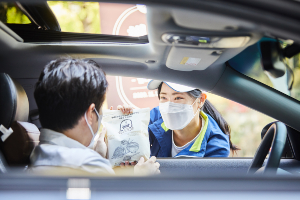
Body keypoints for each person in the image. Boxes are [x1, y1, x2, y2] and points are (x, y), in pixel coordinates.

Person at [30, 58, 160, 175]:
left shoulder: (36, 154)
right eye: (100, 111)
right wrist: (141, 178)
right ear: (90, 114)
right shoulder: (90, 166)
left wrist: (98, 154)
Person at [146, 80, 239, 157]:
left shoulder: (217, 147)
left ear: (201, 100)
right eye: (163, 97)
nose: (169, 107)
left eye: (178, 98)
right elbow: (134, 144)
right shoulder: (155, 116)